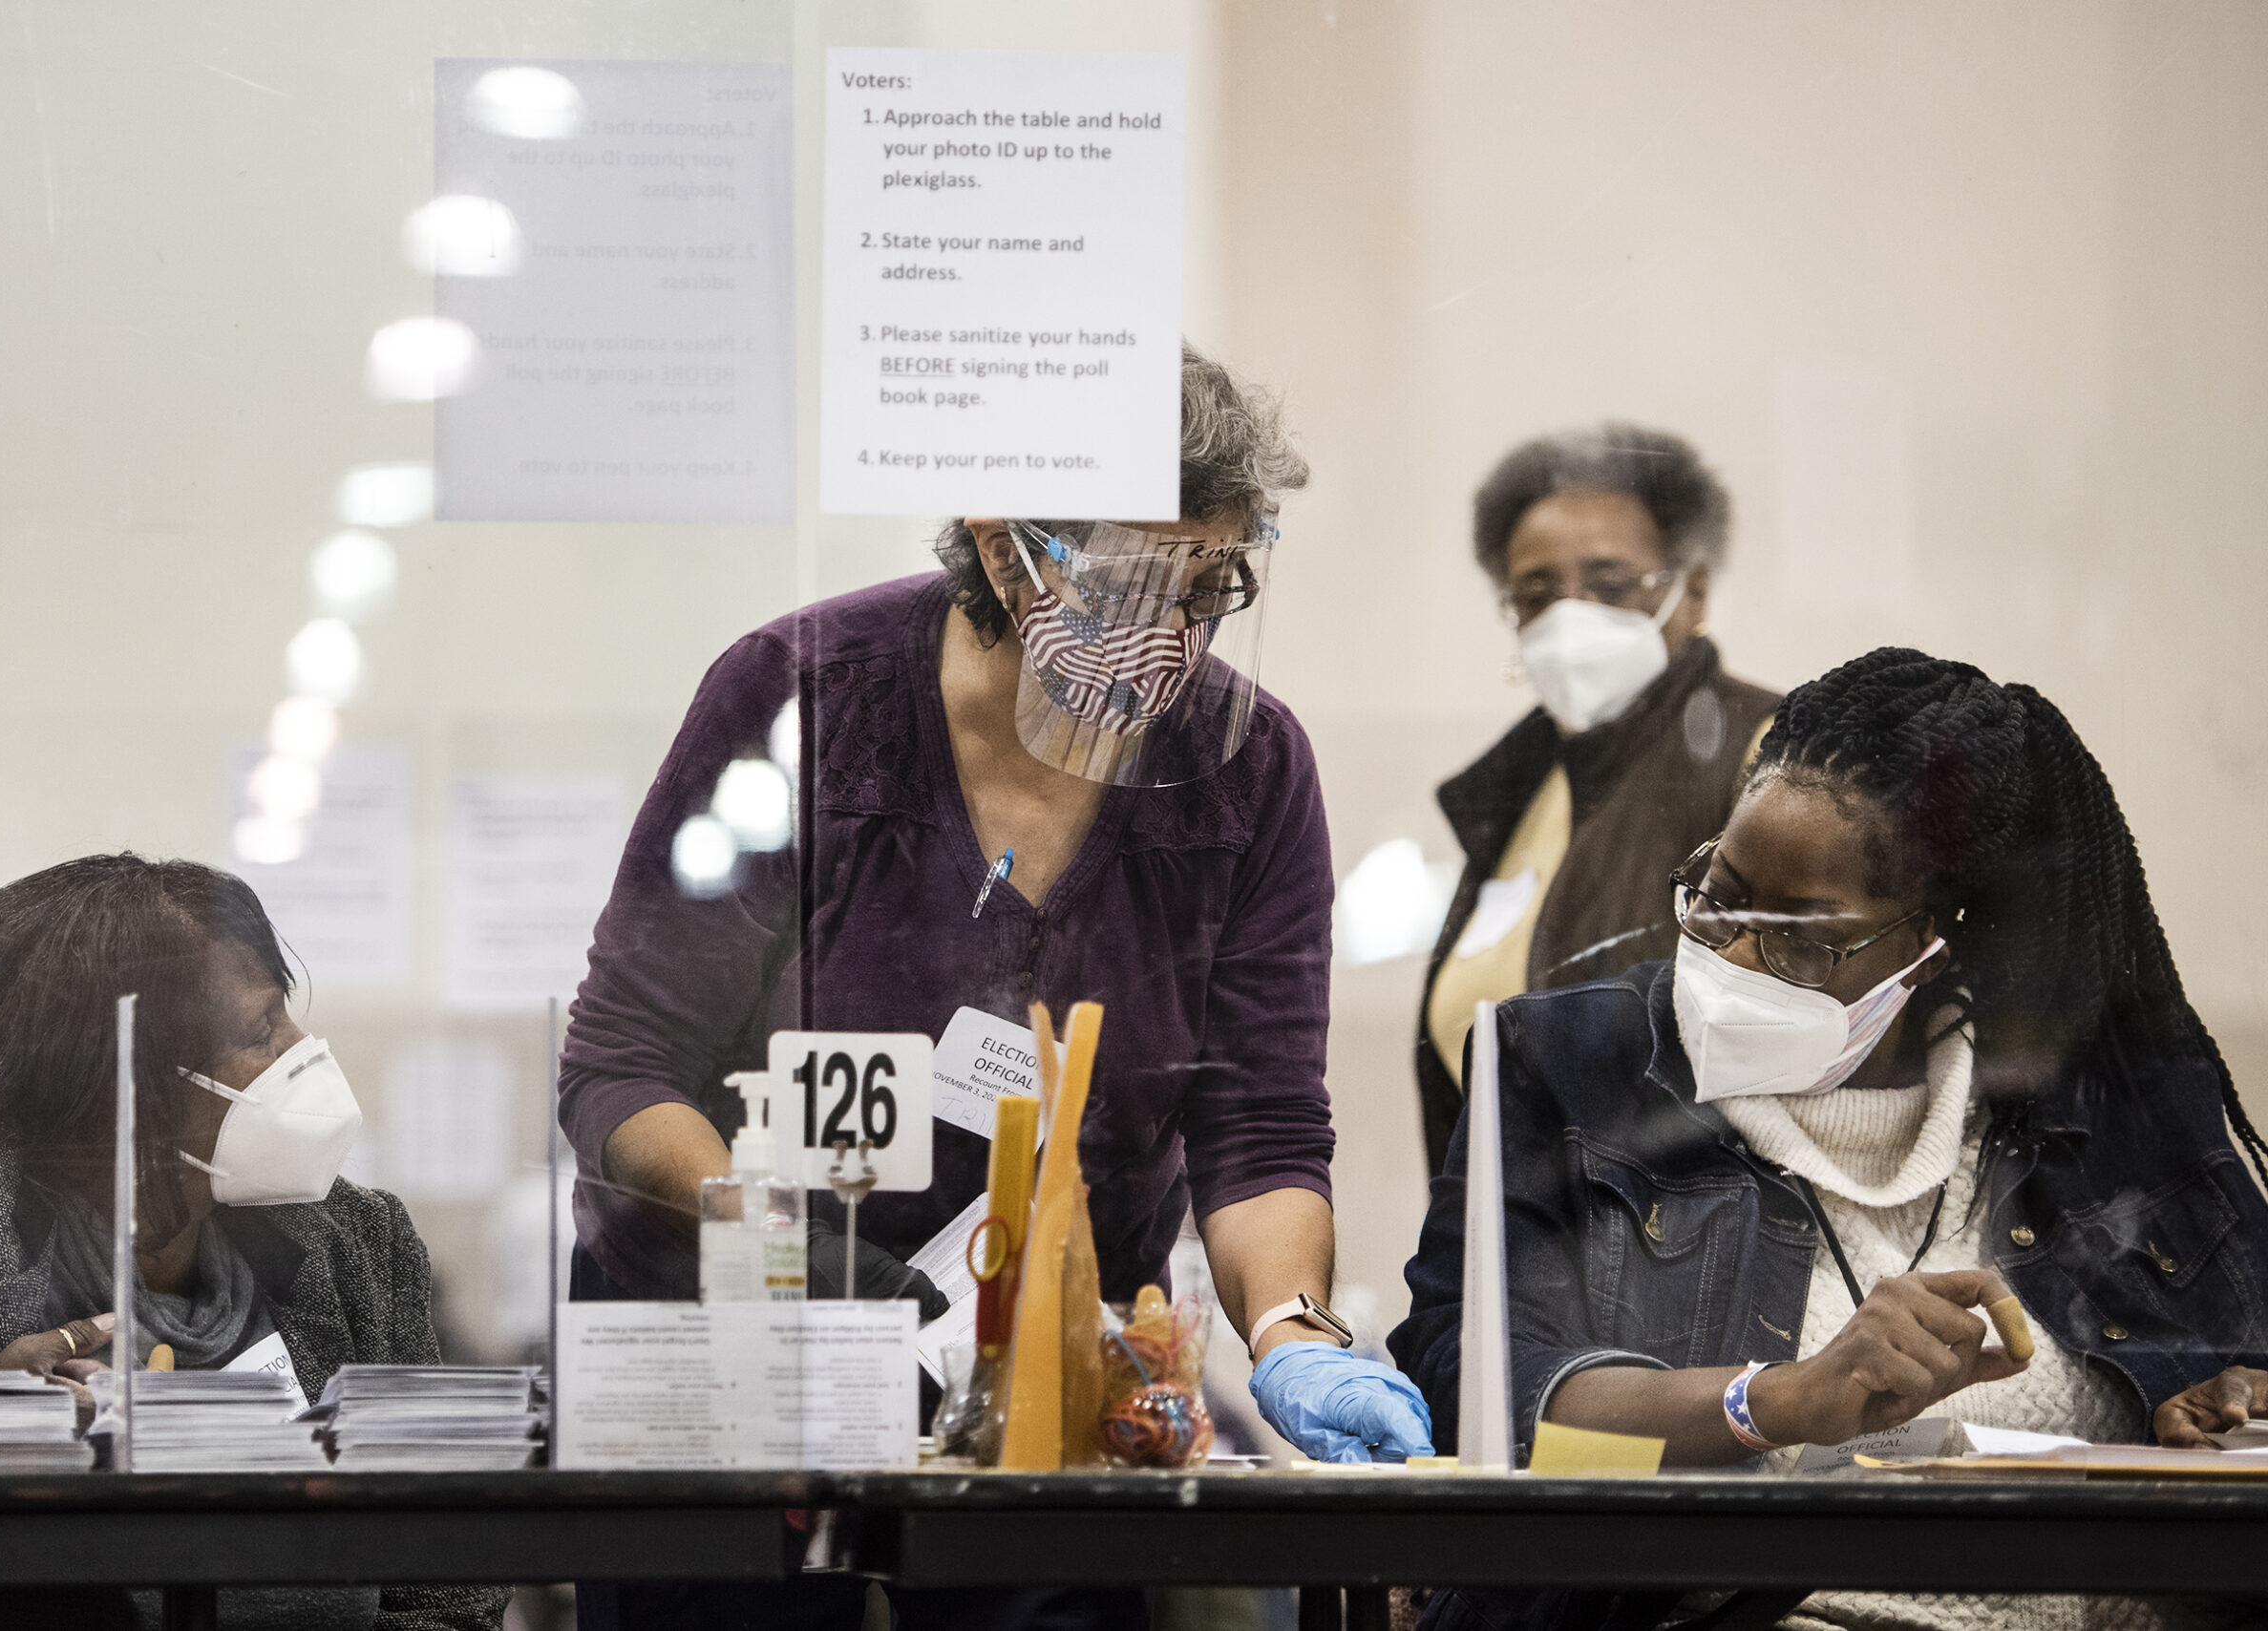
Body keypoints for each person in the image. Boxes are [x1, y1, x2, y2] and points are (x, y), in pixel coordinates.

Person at [561, 346, 1430, 1629]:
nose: (1171, 643)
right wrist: (784, 1239)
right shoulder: (802, 700)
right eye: (1135, 586)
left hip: (1047, 1404)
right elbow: (619, 1068)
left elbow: (1259, 1134)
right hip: (740, 1388)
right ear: (1003, 543)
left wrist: (1293, 1333)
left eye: (1210, 588)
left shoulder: (1244, 773)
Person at [1391, 650, 2268, 1631]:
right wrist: (1773, 1401)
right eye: (1717, 895)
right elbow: (1490, 1414)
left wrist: (2225, 1408)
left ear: (1935, 941)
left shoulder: (2099, 1107)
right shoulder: (1571, 1065)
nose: (1728, 956)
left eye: (1801, 937)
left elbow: (2232, 1383)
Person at [0, 856, 505, 1631]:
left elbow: (452, 1595)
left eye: (286, 1014)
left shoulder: (357, 1242)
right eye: (259, 1030)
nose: (303, 1051)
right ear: (119, 1077)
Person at [1415, 425, 1779, 1176]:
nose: (1569, 618)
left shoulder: (1765, 750)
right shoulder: (1524, 786)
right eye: (1537, 595)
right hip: (1516, 1255)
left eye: (1611, 585)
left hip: (1692, 1252)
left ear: (1695, 589)